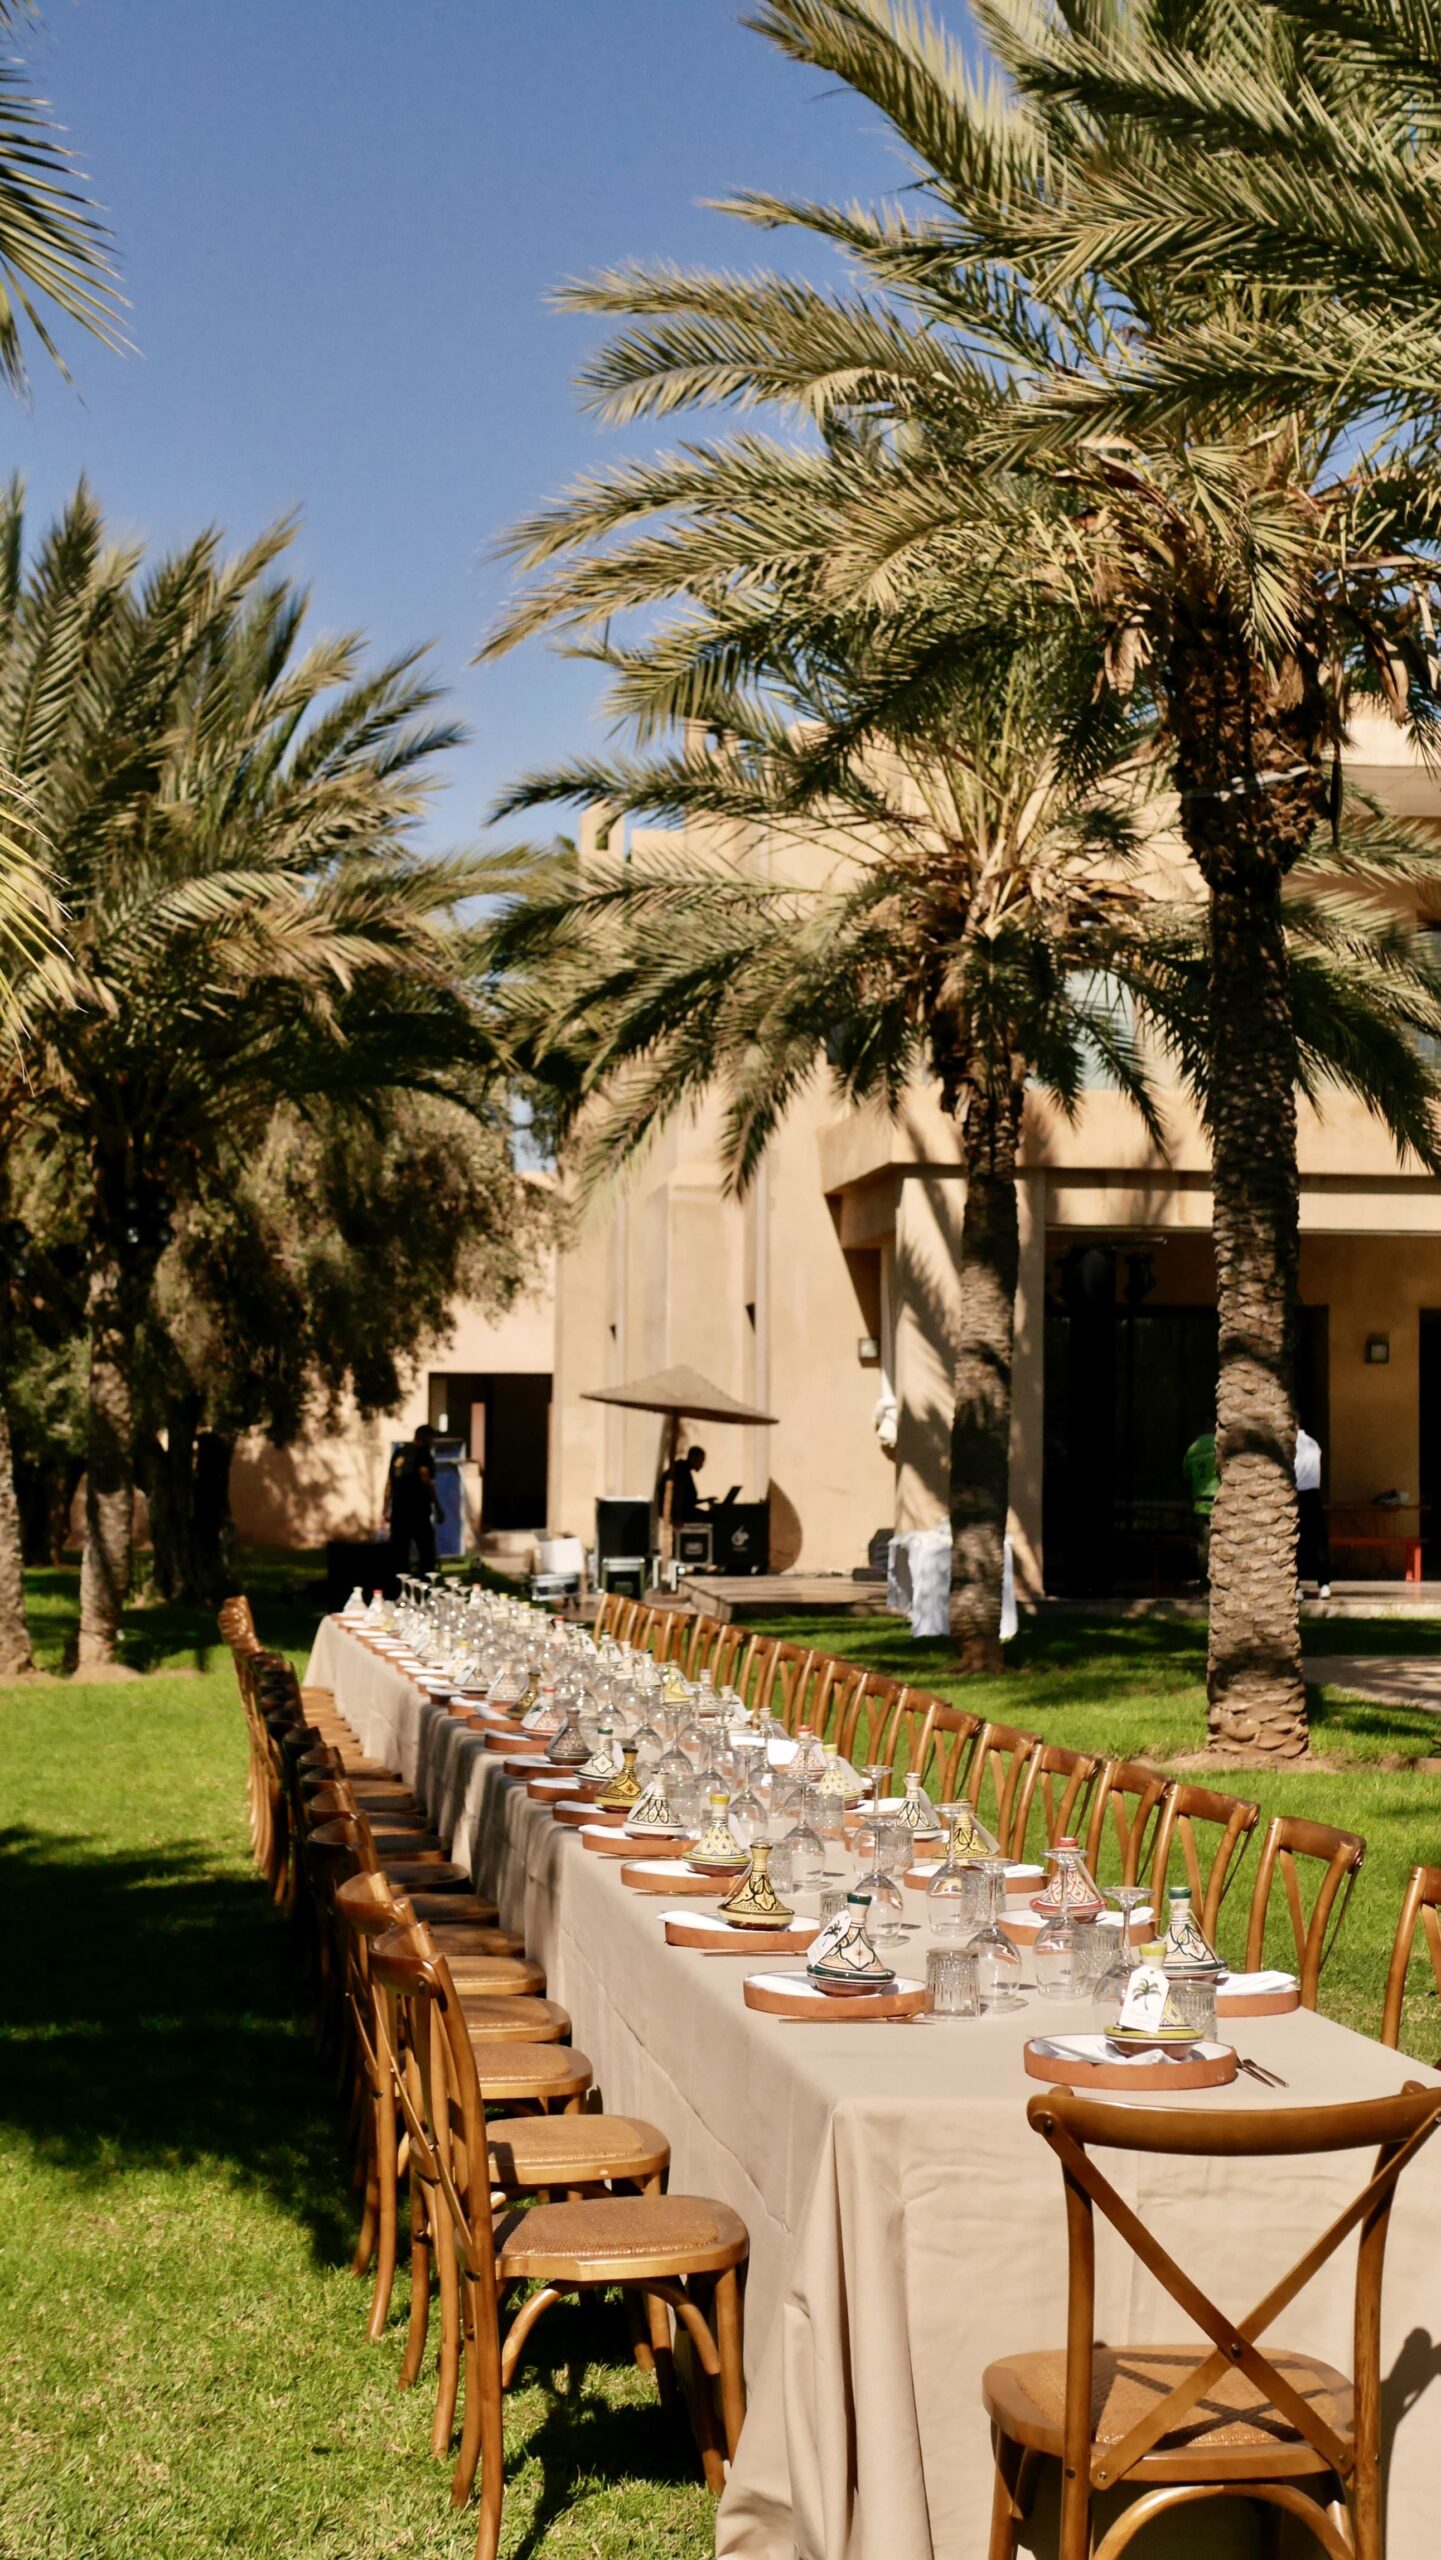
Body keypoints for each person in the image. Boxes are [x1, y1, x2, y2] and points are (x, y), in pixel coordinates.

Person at [386, 1422, 439, 1575]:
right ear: (425, 1438)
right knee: (426, 1552)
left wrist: (385, 1508)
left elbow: (389, 1483)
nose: (432, 1443)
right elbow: (425, 1479)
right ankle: (426, 1583)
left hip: (398, 1511)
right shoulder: (422, 1454)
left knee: (400, 1553)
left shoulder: (399, 1453)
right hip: (418, 1511)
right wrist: (438, 1506)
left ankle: (400, 1584)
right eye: (431, 1439)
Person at [1295, 1425, 1331, 1599]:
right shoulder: (1313, 1444)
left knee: (1294, 1541)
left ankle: (1296, 1586)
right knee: (1318, 1541)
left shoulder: (1291, 1444)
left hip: (1296, 1494)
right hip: (1314, 1494)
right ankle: (1324, 1584)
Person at [1182, 1426, 1219, 1586]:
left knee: (1204, 1545)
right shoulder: (1219, 1444)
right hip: (1219, 1502)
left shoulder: (1193, 1449)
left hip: (1200, 1504)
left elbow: (1186, 1476)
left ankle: (1204, 1579)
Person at [660, 1441, 707, 1529]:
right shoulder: (681, 1470)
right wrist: (678, 1518)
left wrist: (705, 1500)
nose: (702, 1464)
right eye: (701, 1460)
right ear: (693, 1458)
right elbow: (678, 1496)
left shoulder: (683, 1469)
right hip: (679, 1516)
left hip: (681, 1514)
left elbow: (688, 1500)